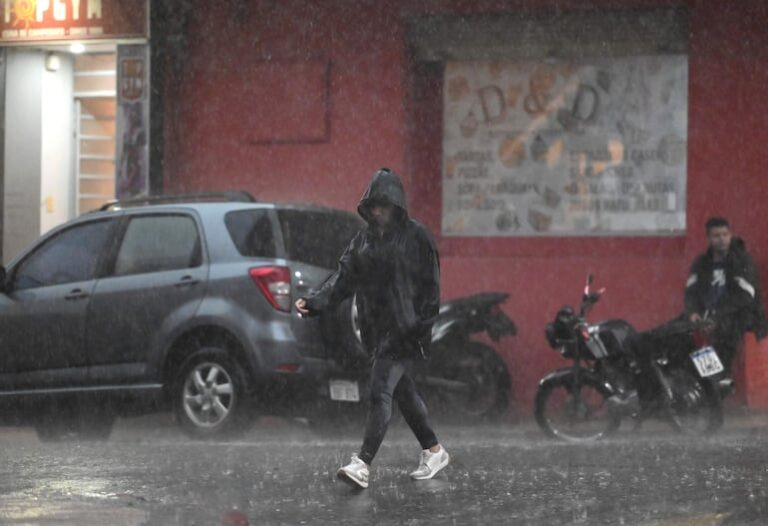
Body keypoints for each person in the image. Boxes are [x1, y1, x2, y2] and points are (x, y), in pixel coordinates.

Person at [295, 167, 449, 489]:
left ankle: (362, 463)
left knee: (380, 391)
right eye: (373, 205)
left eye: (384, 205)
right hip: (375, 332)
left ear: (396, 205)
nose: (378, 211)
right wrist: (314, 302)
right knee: (403, 393)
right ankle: (434, 450)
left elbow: (430, 287)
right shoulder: (362, 241)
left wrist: (421, 327)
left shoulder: (417, 237)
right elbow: (342, 279)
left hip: (405, 332)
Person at [684, 217, 768, 373]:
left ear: (730, 235)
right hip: (707, 316)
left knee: (725, 329)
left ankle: (719, 375)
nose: (722, 239)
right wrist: (693, 312)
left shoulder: (741, 261)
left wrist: (717, 316)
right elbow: (691, 292)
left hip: (739, 316)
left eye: (725, 234)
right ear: (709, 238)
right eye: (716, 235)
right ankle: (685, 375)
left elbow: (745, 296)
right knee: (679, 330)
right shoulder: (701, 263)